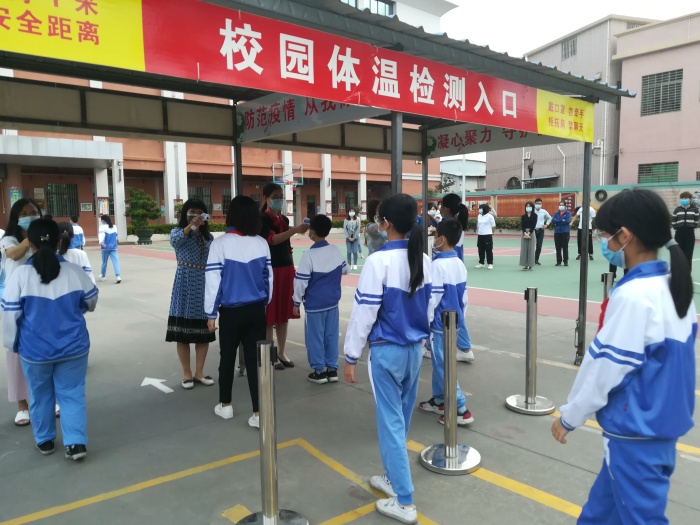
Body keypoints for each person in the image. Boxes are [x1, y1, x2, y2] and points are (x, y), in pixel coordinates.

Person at [551, 188, 696, 524]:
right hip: (657, 427)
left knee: (641, 518)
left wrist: (570, 416)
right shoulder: (675, 286)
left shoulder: (633, 295)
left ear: (625, 236)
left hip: (635, 433)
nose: (604, 243)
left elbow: (605, 367)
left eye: (606, 236)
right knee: (599, 514)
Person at [344, 194, 431, 525]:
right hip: (413, 351)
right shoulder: (423, 259)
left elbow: (364, 312)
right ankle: (393, 478)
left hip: (386, 352)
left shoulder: (378, 262)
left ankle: (405, 501)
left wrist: (351, 355)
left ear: (387, 223)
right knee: (401, 420)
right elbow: (430, 309)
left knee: (391, 423)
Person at [2, 219, 98, 460]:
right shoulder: (74, 271)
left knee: (40, 394)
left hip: (34, 352)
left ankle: (44, 441)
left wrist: (13, 344)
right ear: (58, 241)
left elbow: (10, 314)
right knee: (72, 394)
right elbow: (91, 300)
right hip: (74, 348)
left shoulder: (19, 276)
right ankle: (76, 444)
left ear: (30, 243)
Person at [206, 196, 273, 429]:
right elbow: (268, 280)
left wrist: (210, 314)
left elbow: (213, 282)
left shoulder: (220, 244)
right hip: (256, 311)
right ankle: (258, 413)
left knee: (227, 358)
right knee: (256, 362)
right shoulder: (261, 243)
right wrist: (263, 304)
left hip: (231, 312)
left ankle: (225, 405)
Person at [419, 219, 474, 426]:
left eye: (435, 235)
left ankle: (460, 408)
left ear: (441, 238)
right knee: (440, 362)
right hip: (454, 323)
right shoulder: (459, 263)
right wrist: (460, 318)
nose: (433, 239)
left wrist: (425, 325)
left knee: (443, 366)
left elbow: (432, 300)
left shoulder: (437, 266)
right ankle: (440, 398)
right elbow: (464, 298)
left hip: (439, 326)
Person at [166, 199, 216, 390]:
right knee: (183, 333)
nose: (196, 215)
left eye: (200, 212)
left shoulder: (209, 238)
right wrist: (190, 227)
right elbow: (175, 242)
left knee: (204, 332)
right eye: (192, 211)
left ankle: (199, 372)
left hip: (203, 285)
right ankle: (186, 373)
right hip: (184, 284)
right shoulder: (178, 232)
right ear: (185, 213)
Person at [0, 198, 42, 426]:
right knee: (16, 353)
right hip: (15, 304)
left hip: (41, 301)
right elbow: (14, 255)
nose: (29, 215)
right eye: (24, 213)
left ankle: (46, 398)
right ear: (16, 218)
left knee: (44, 351)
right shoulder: (9, 240)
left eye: (33, 212)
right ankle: (22, 405)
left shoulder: (44, 239)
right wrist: (31, 239)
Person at [292, 215, 348, 384]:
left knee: (315, 337)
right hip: (332, 303)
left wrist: (296, 302)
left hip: (314, 305)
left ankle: (319, 371)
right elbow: (345, 270)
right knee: (331, 335)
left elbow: (300, 282)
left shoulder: (308, 255)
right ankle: (332, 369)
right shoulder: (335, 250)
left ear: (312, 232)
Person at [260, 183, 309, 370]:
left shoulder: (284, 220)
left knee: (283, 314)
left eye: (281, 196)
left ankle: (281, 352)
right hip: (270, 270)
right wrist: (295, 230)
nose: (278, 200)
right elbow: (272, 240)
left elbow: (286, 245)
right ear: (266, 198)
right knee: (269, 315)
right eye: (275, 196)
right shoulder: (262, 219)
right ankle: (268, 355)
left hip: (286, 268)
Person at [438, 193, 474, 362]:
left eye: (441, 206)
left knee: (446, 308)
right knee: (456, 307)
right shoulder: (457, 224)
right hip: (457, 269)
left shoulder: (448, 225)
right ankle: (465, 347)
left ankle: (463, 348)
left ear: (446, 208)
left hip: (448, 270)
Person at [672, 191, 699, 270]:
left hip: (690, 234)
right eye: (682, 198)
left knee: (688, 255)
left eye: (686, 198)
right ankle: (678, 273)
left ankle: (687, 274)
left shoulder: (695, 210)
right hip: (679, 234)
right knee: (678, 255)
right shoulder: (677, 210)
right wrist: (677, 228)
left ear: (690, 199)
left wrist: (691, 227)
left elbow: (696, 221)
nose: (684, 199)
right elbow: (673, 221)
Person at [98, 215, 121, 283]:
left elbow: (101, 235)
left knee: (104, 262)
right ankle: (118, 276)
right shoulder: (114, 227)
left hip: (105, 247)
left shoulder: (102, 227)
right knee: (115, 262)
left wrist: (101, 243)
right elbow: (116, 237)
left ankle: (103, 275)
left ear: (103, 220)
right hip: (113, 247)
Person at [475, 203, 495, 269]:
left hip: (487, 235)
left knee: (488, 249)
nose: (479, 210)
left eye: (481, 209)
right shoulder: (479, 216)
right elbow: (478, 225)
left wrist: (491, 233)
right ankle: (481, 263)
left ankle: (490, 263)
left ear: (485, 209)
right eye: (479, 209)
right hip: (480, 235)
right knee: (480, 249)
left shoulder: (490, 216)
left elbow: (493, 226)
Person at [551, 202, 572, 267]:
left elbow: (567, 221)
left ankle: (565, 261)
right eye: (560, 205)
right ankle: (558, 261)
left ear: (565, 206)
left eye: (562, 205)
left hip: (565, 232)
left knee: (565, 247)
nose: (561, 206)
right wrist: (561, 220)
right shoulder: (556, 213)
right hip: (557, 232)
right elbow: (553, 221)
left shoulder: (568, 213)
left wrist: (557, 221)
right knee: (558, 247)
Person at [533, 198, 552, 265]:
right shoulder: (532, 211)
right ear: (534, 204)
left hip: (541, 230)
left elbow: (549, 218)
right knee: (532, 246)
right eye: (537, 203)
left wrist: (546, 224)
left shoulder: (544, 211)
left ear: (541, 204)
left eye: (540, 203)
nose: (538, 205)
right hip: (533, 230)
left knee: (539, 246)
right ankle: (530, 259)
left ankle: (536, 260)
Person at [519, 201, 537, 270]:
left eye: (529, 206)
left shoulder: (535, 215)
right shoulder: (523, 216)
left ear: (532, 207)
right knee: (524, 248)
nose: (528, 208)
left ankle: (530, 264)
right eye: (527, 206)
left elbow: (534, 225)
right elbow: (522, 225)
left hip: (531, 232)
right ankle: (525, 264)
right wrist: (525, 232)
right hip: (524, 232)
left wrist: (529, 232)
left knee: (531, 249)